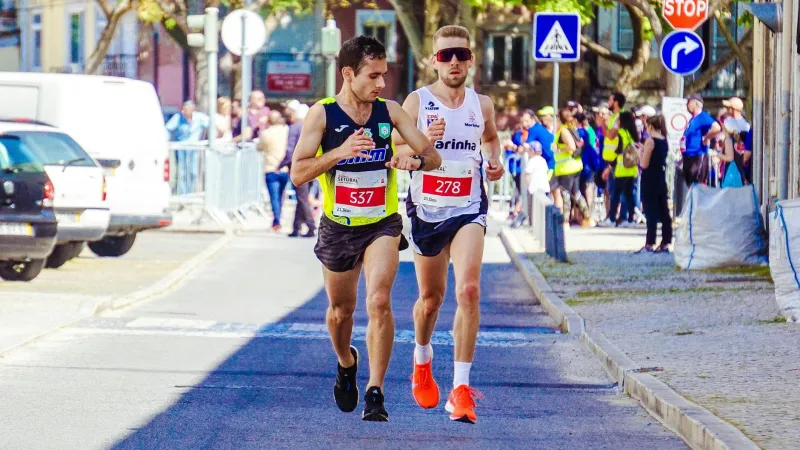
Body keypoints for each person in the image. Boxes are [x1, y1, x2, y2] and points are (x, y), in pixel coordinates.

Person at [290, 35, 442, 422]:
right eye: (373, 76)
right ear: (348, 73)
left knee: (379, 300)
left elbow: (431, 155)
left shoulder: (390, 112)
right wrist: (340, 152)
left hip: (381, 223)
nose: (381, 83)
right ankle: (347, 362)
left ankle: (375, 390)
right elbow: (298, 173)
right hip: (338, 227)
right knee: (341, 311)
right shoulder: (322, 115)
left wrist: (414, 162)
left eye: (383, 75)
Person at [392, 25, 504, 425]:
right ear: (434, 61)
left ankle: (460, 389)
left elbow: (490, 139)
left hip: (469, 206)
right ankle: (422, 358)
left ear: (471, 60)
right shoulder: (417, 101)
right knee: (431, 300)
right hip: (427, 208)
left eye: (460, 54)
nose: (453, 62)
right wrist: (423, 139)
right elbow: (394, 147)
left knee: (469, 290)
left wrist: (494, 161)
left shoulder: (482, 104)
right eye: (445, 56)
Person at [638, 115, 672, 253]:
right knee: (664, 211)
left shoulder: (650, 141)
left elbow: (644, 164)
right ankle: (666, 241)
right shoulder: (664, 140)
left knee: (650, 212)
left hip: (649, 179)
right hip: (660, 178)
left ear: (650, 126)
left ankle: (650, 242)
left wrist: (639, 152)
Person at [284, 103, 315, 237]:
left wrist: (283, 164)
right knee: (302, 197)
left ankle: (311, 225)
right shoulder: (313, 127)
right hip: (313, 165)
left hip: (299, 166)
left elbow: (290, 149)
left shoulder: (295, 127)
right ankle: (296, 227)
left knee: (302, 198)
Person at [258, 111, 290, 232]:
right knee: (281, 196)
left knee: (274, 197)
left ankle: (277, 221)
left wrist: (262, 127)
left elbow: (259, 147)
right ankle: (278, 219)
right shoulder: (286, 131)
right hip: (284, 168)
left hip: (271, 168)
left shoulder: (266, 133)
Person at [682, 93, 720, 186]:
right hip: (688, 156)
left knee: (697, 185)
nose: (687, 105)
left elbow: (716, 127)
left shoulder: (703, 116)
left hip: (697, 155)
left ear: (695, 103)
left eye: (688, 102)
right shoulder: (693, 119)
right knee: (690, 185)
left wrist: (707, 138)